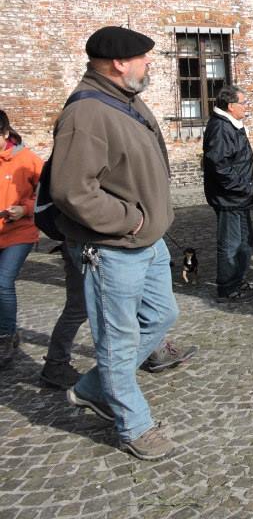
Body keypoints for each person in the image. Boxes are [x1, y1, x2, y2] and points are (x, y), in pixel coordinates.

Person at [49, 25, 181, 460]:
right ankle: (133, 425)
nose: (149, 63)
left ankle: (93, 388)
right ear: (119, 63)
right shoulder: (85, 113)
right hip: (112, 248)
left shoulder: (127, 100)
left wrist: (150, 221)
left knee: (162, 315)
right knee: (117, 342)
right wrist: (131, 219)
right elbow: (71, 190)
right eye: (143, 57)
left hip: (148, 241)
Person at [40, 242, 197, 389]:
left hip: (114, 243)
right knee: (80, 308)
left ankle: (155, 350)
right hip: (92, 245)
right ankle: (58, 365)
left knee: (141, 301)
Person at [203, 85, 253, 303]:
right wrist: (243, 186)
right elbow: (219, 166)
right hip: (229, 198)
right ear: (230, 106)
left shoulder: (231, 125)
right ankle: (227, 287)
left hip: (239, 197)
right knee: (231, 244)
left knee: (244, 242)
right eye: (243, 103)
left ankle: (238, 281)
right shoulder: (221, 128)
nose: (246, 106)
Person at [0, 110, 42, 368]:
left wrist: (25, 209)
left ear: (5, 134)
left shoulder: (27, 159)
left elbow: (48, 192)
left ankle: (5, 336)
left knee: (2, 282)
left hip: (19, 232)